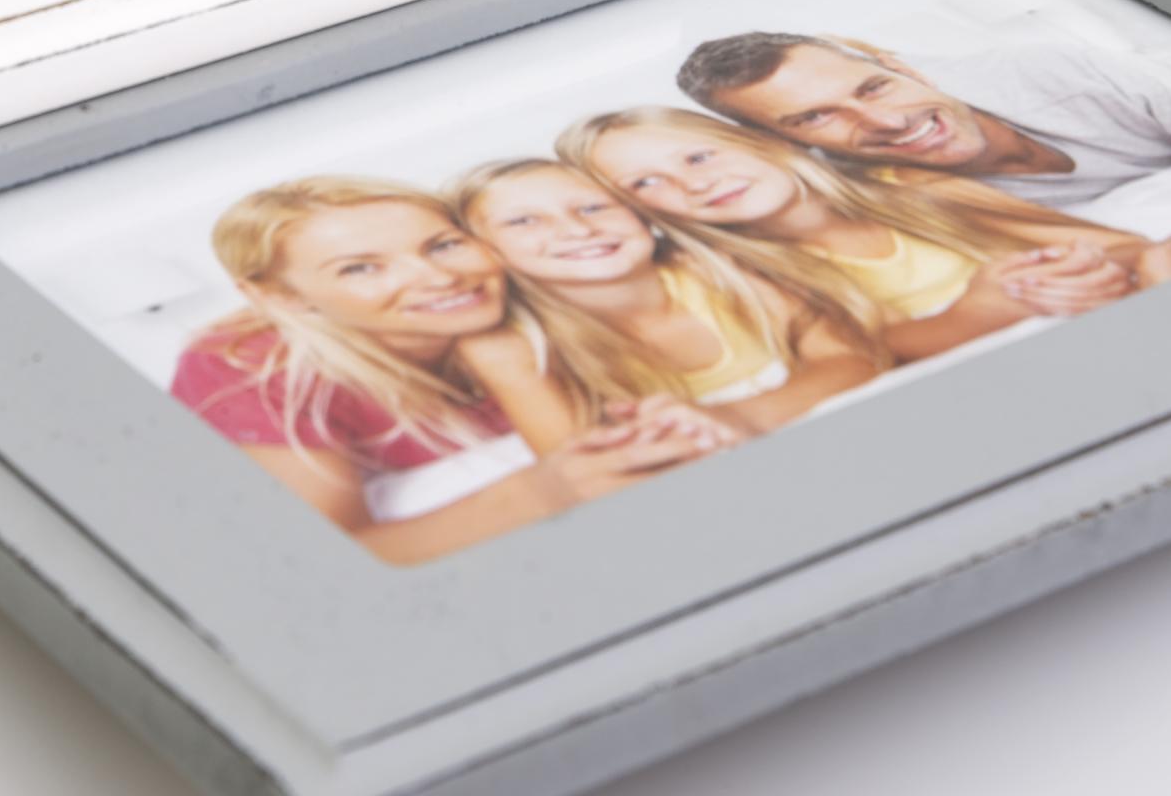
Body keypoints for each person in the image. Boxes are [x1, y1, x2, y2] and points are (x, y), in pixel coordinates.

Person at [172, 177, 728, 564]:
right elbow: (326, 560)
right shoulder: (245, 366)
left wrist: (508, 366)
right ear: (280, 297)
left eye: (444, 245)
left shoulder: (534, 296)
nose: (438, 278)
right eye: (360, 268)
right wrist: (544, 491)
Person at [562, 106, 1171, 363]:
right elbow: (871, 351)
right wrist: (980, 309)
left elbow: (1112, 244)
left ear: (763, 143)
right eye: (647, 183)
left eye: (699, 157)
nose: (694, 183)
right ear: (639, 212)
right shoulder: (733, 271)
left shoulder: (905, 186)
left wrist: (1095, 265)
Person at [450, 158, 881, 437]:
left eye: (594, 207)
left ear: (641, 215)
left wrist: (739, 418)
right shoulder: (520, 347)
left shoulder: (718, 272)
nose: (578, 230)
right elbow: (585, 472)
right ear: (484, 250)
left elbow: (853, 360)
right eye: (523, 222)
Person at [676, 32, 1171, 210]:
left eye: (874, 87)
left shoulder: (1058, 68)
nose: (887, 122)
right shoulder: (886, 204)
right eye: (817, 117)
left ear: (903, 68)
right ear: (785, 142)